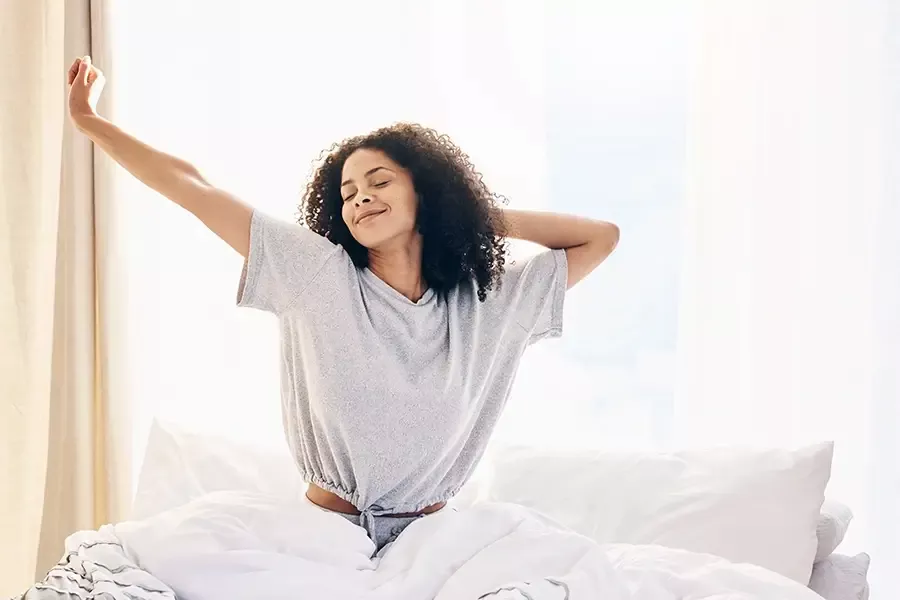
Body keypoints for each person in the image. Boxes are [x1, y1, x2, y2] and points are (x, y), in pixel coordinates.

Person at [66, 55, 620, 554]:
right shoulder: (317, 272)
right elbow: (195, 187)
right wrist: (92, 123)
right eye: (349, 193)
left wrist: (468, 215)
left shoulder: (485, 303)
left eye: (379, 182)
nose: (360, 198)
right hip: (322, 539)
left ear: (425, 193)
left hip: (434, 546)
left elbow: (601, 237)